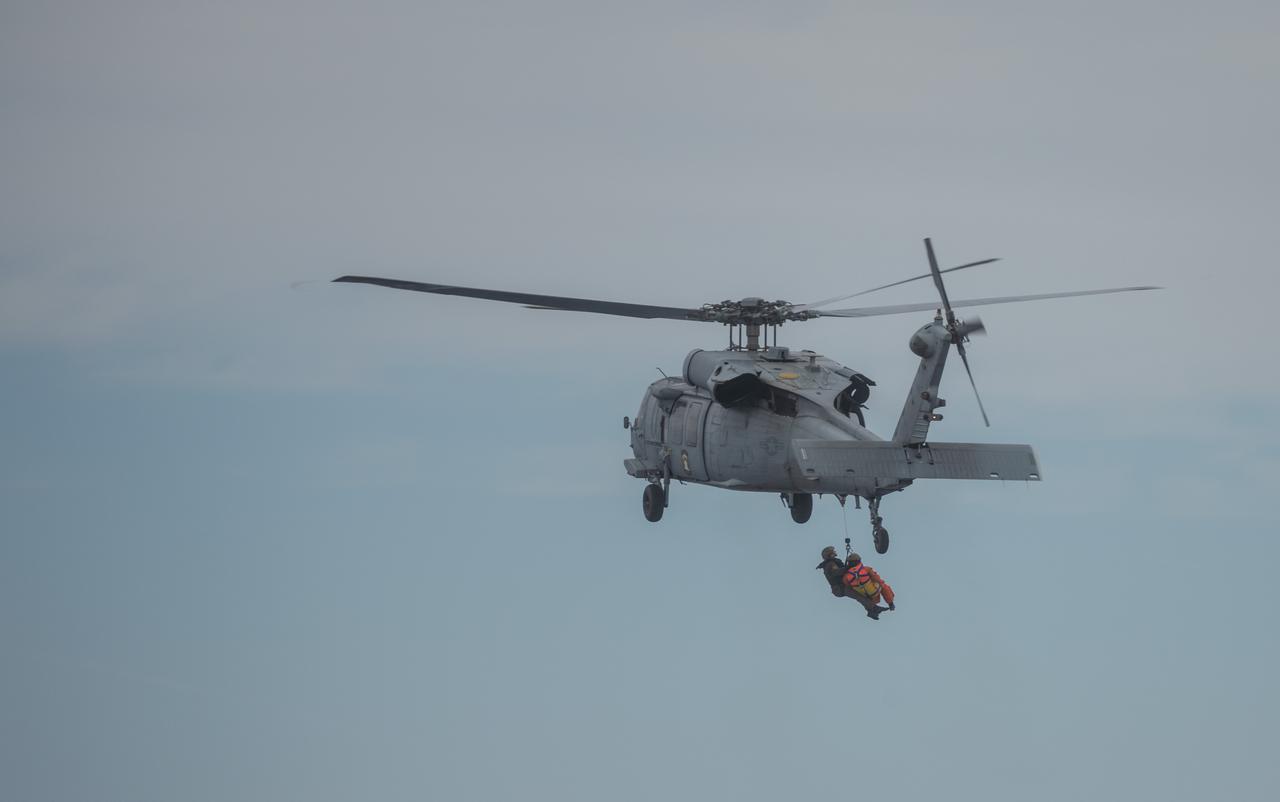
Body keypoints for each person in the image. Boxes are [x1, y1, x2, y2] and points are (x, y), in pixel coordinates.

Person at [816, 546, 885, 619]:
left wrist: (848, 567)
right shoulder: (830, 564)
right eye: (833, 551)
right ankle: (874, 608)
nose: (835, 552)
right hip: (840, 588)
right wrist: (848, 567)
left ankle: (872, 611)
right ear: (830, 554)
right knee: (858, 596)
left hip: (841, 586)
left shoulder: (832, 562)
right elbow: (837, 572)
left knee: (862, 594)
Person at [842, 552, 895, 619]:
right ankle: (891, 604)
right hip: (874, 592)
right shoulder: (866, 569)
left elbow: (849, 587)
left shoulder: (846, 576)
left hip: (865, 597)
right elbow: (877, 579)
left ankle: (871, 612)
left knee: (861, 596)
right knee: (884, 586)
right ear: (859, 561)